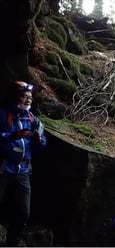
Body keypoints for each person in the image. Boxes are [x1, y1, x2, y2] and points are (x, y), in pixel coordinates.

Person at [0, 81, 47, 246]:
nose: (28, 100)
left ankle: (12, 243)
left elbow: (42, 145)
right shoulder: (3, 115)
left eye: (30, 97)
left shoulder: (33, 119)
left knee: (23, 213)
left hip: (23, 171)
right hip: (3, 168)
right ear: (15, 97)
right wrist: (12, 136)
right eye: (24, 97)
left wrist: (38, 139)